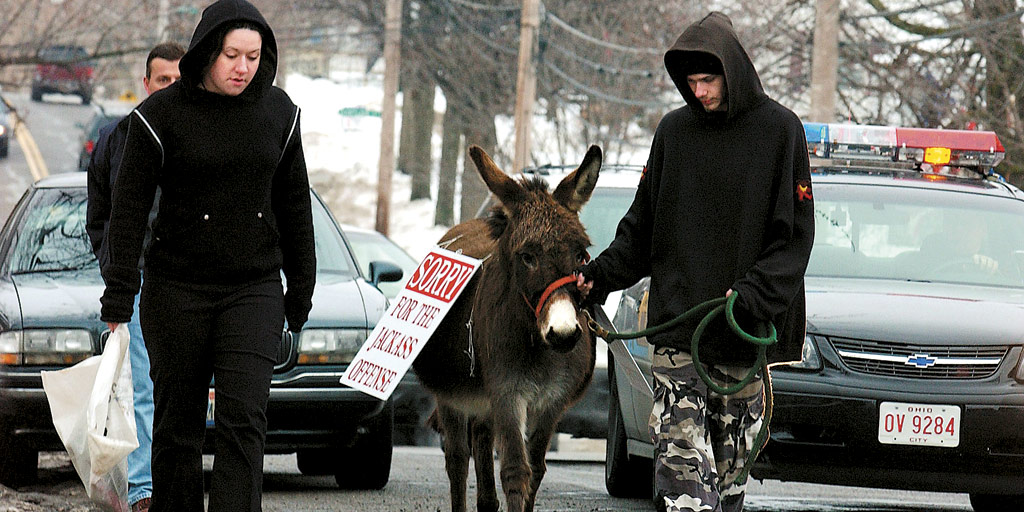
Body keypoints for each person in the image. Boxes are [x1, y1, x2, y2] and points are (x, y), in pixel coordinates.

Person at [576, 12, 814, 512]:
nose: (699, 91)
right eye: (691, 81)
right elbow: (640, 230)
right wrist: (598, 276)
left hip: (741, 341)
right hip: (677, 343)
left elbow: (792, 241)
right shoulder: (674, 134)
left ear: (735, 71)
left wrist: (754, 294)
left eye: (709, 79)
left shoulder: (781, 132)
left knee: (726, 492)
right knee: (685, 489)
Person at [98, 1, 316, 510]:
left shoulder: (280, 114)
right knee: (178, 424)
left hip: (253, 288)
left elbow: (295, 205)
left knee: (244, 419)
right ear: (206, 53)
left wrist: (300, 291)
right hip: (176, 289)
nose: (244, 67)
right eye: (232, 55)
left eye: (254, 56)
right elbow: (127, 212)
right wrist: (118, 296)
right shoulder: (157, 117)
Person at [85, 42, 185, 512]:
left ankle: (177, 481)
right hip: (141, 280)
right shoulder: (118, 136)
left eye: (179, 80)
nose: (170, 88)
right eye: (162, 79)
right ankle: (144, 489)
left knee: (183, 386)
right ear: (145, 84)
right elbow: (100, 214)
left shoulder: (199, 135)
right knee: (144, 385)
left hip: (191, 281)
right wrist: (118, 272)